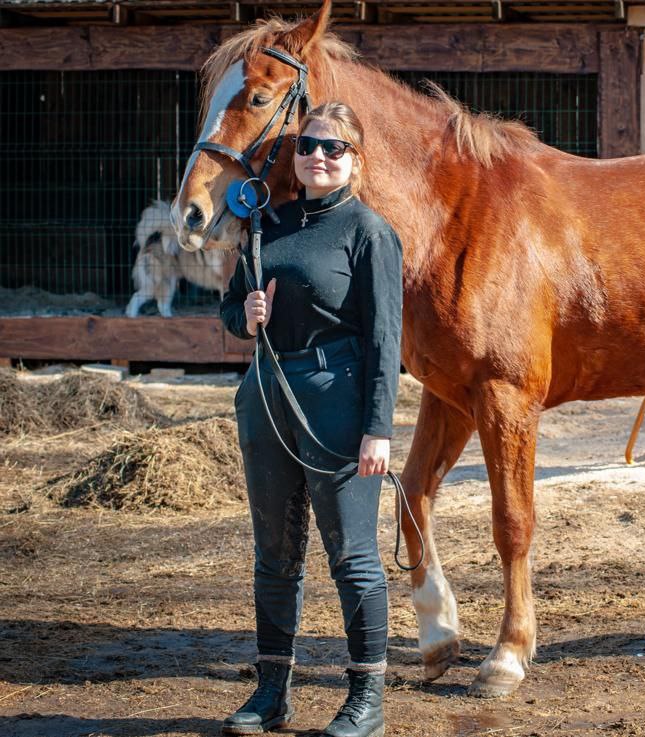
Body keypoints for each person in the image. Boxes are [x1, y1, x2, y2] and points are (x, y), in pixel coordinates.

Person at [220, 102, 402, 737]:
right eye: (307, 146)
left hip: (337, 395)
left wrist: (378, 427)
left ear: (355, 159)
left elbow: (386, 341)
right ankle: (271, 691)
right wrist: (243, 317)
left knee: (352, 555)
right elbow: (227, 309)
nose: (318, 156)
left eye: (334, 148)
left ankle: (366, 698)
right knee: (273, 554)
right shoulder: (270, 224)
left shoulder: (369, 232)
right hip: (267, 390)